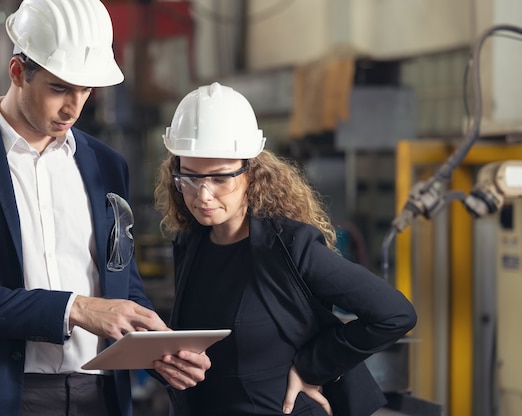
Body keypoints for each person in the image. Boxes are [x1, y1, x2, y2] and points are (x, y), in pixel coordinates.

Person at [0, 1, 210, 415]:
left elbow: (122, 285)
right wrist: (76, 308)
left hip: (99, 398)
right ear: (18, 72)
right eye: (59, 88)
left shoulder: (106, 164)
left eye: (85, 90)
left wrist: (158, 351)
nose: (74, 107)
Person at [153, 82, 418, 416]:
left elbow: (394, 314)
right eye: (189, 177)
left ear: (251, 174)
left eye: (220, 179)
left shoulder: (291, 246)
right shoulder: (192, 242)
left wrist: (314, 367)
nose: (203, 195)